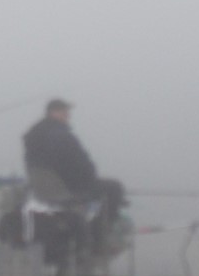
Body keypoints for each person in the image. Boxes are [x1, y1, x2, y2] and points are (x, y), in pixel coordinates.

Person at [22, 98, 126, 243]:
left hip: (43, 190)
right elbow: (79, 163)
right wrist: (90, 178)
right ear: (53, 112)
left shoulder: (33, 137)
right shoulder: (60, 135)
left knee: (102, 187)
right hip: (66, 187)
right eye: (64, 111)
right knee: (114, 188)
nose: (68, 115)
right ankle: (97, 236)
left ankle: (87, 232)